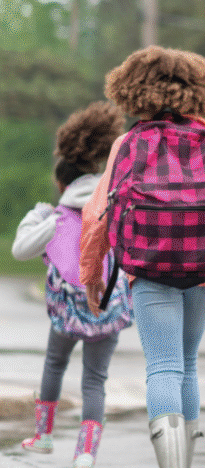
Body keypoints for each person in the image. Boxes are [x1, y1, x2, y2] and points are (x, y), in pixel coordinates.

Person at [78, 46, 205, 468]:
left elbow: (98, 213)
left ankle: (170, 464)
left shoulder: (128, 143)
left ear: (132, 91)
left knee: (163, 366)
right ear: (200, 91)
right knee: (188, 364)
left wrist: (92, 273)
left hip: (148, 268)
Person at [12, 101, 132, 468]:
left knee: (54, 363)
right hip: (108, 308)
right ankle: (85, 454)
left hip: (66, 311)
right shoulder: (115, 207)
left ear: (61, 183)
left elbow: (20, 251)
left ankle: (44, 436)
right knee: (95, 380)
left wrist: (46, 218)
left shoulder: (54, 217)